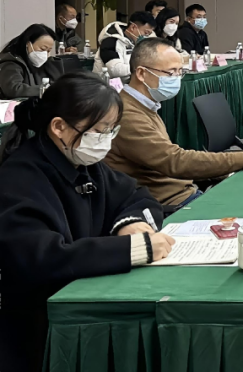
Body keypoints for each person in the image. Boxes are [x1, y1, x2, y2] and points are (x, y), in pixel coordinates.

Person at [0, 72, 175, 371]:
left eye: (111, 130)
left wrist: (130, 223)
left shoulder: (83, 163)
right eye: (99, 130)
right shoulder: (19, 179)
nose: (105, 139)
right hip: (34, 329)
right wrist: (134, 249)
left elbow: (138, 196)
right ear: (59, 127)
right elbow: (42, 259)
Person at [105, 38, 243, 210]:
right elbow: (174, 161)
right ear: (142, 73)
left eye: (180, 72)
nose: (177, 78)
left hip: (184, 192)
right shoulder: (126, 114)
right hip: (169, 204)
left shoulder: (145, 105)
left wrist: (228, 170)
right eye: (171, 73)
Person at [0, 24, 64, 99]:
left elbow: (57, 83)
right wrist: (45, 90)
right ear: (28, 44)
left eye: (48, 51)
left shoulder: (36, 62)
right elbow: (14, 89)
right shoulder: (10, 63)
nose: (45, 54)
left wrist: (50, 62)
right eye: (43, 49)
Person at [94, 11, 156, 79]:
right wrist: (145, 67)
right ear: (133, 27)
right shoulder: (110, 41)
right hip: (107, 83)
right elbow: (115, 70)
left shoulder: (136, 42)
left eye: (148, 34)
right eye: (146, 33)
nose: (146, 36)